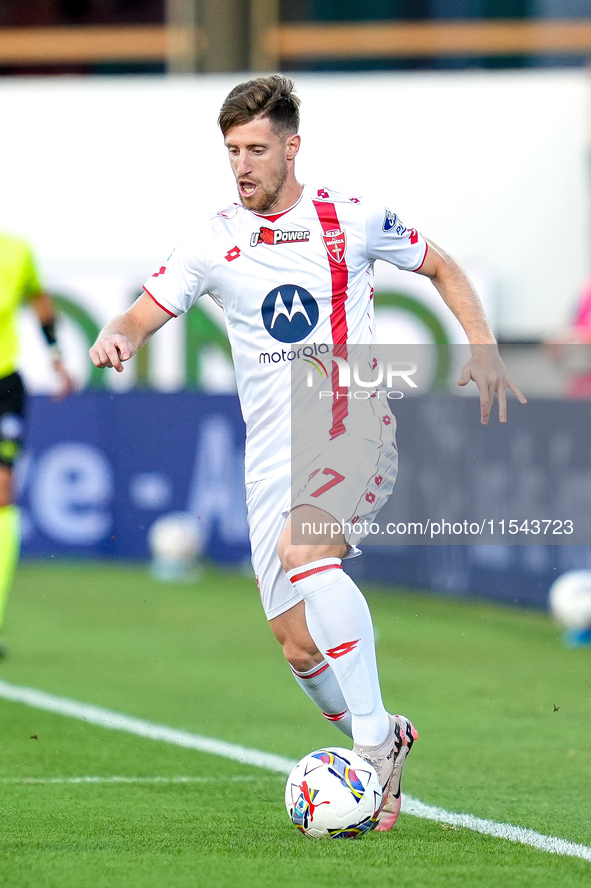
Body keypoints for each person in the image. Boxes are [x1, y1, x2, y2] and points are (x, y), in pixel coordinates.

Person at [89, 74, 526, 832]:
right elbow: (144, 309)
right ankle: (385, 734)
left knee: (308, 549)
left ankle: (369, 744)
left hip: (348, 411)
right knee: (296, 645)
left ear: (292, 146)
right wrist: (120, 332)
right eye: (231, 151)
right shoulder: (212, 237)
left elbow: (441, 266)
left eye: (256, 149)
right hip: (270, 449)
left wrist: (480, 345)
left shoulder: (351, 217)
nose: (242, 164)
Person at [0, 231, 73, 656]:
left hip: (5, 385)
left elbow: (39, 300)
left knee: (3, 490)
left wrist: (56, 354)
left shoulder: (16, 251)